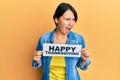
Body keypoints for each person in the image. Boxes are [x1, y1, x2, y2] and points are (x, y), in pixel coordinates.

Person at [32, 2, 91, 80]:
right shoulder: (44, 39)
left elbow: (81, 66)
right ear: (56, 19)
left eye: (73, 20)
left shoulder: (78, 39)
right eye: (67, 19)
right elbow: (40, 63)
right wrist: (37, 60)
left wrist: (84, 59)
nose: (71, 23)